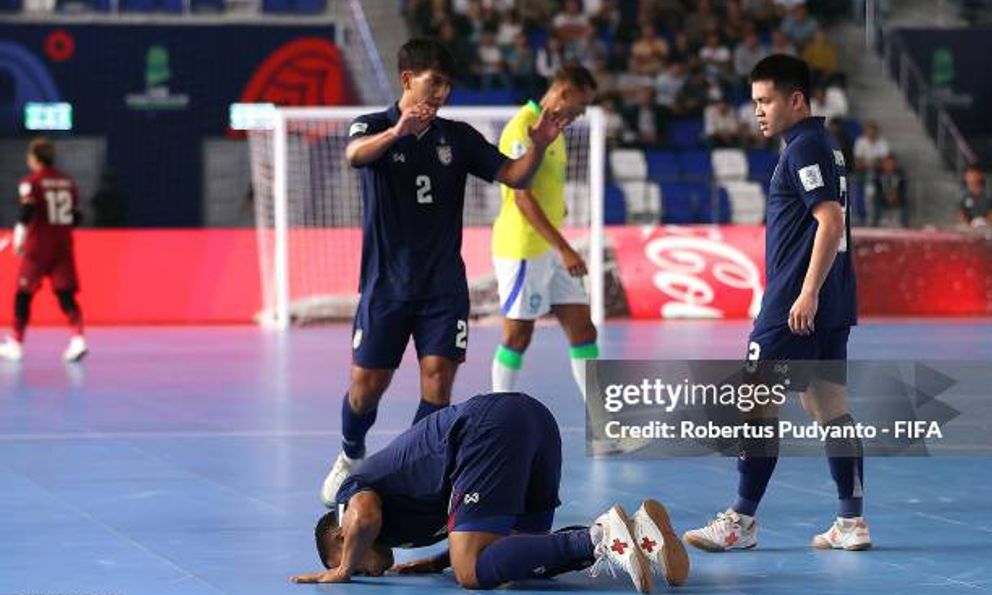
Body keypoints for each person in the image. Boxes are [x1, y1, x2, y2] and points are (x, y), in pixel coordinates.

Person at [319, 38, 567, 507]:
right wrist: (397, 132)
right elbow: (354, 155)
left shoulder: (458, 137)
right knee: (366, 388)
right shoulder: (371, 125)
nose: (441, 94)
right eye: (435, 83)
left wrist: (535, 147)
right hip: (385, 286)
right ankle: (351, 456)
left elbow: (515, 176)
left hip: (444, 288)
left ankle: (406, 475)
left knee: (437, 379)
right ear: (408, 80)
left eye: (448, 86)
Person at [683, 55, 870, 553]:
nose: (758, 112)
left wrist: (805, 292)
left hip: (795, 304)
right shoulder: (824, 146)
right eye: (754, 102)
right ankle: (851, 522)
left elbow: (829, 221)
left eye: (766, 101)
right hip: (835, 302)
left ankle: (740, 521)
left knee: (753, 403)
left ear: (796, 100)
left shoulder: (805, 148)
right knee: (829, 405)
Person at [293, 392, 690, 591]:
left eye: (352, 558)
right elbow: (477, 523)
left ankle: (602, 537)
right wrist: (437, 561)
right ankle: (639, 533)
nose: (367, 570)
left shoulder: (352, 498)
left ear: (342, 536)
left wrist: (342, 571)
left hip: (487, 430)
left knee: (471, 572)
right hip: (533, 421)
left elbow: (364, 515)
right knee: (518, 555)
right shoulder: (403, 528)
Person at [489, 64, 601, 424]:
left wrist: (561, 213)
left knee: (583, 328)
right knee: (518, 335)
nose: (581, 114)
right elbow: (522, 199)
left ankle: (602, 418)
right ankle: (495, 419)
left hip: (550, 249)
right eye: (580, 105)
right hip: (523, 248)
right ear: (563, 93)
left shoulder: (559, 131)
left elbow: (546, 188)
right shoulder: (521, 128)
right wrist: (565, 248)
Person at [0, 138, 87, 363]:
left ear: (35, 158)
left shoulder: (32, 182)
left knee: (23, 295)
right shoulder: (68, 182)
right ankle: (78, 339)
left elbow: (27, 211)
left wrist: (19, 239)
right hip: (62, 245)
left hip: (38, 247)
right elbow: (76, 217)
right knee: (65, 294)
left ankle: (16, 343)